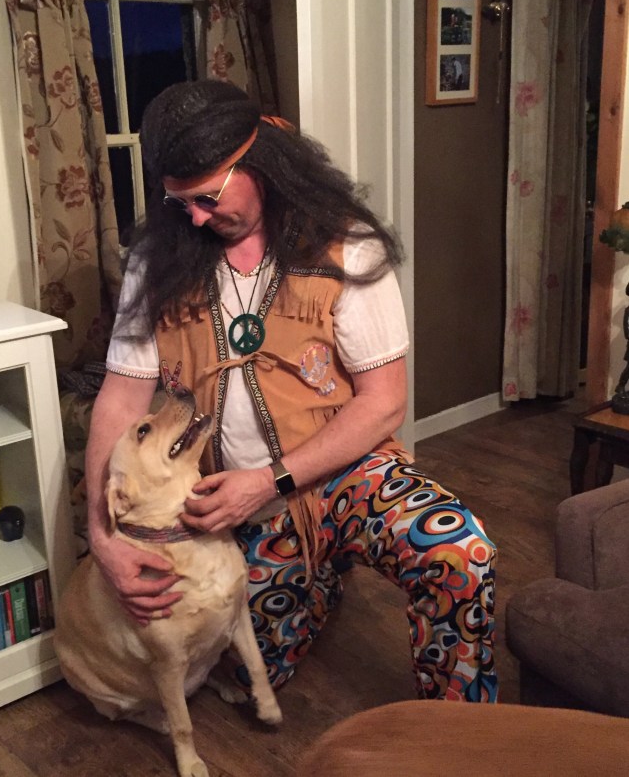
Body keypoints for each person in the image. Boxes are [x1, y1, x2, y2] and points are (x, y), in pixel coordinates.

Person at [87, 79, 498, 703]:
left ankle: (456, 729)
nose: (195, 217)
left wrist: (269, 480)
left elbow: (384, 401)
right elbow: (120, 398)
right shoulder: (157, 263)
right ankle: (320, 574)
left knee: (459, 552)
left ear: (261, 164)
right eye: (179, 203)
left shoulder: (347, 246)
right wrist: (103, 538)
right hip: (230, 501)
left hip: (346, 474)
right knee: (247, 673)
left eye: (207, 197)